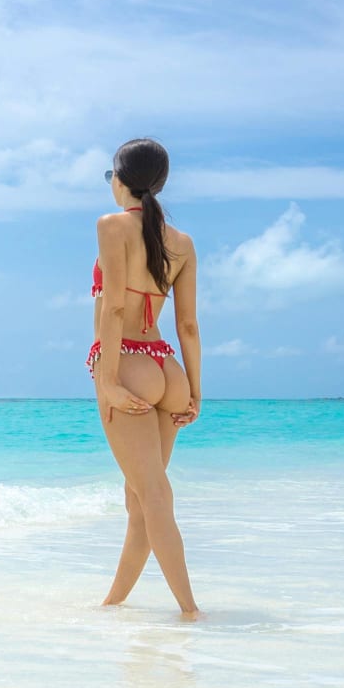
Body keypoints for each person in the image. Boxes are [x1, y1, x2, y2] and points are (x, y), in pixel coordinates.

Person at [87, 137, 202, 617]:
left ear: (121, 179)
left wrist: (109, 379)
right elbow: (188, 325)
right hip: (166, 369)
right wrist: (195, 391)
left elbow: (115, 307)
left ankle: (190, 611)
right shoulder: (182, 243)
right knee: (140, 499)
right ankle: (112, 604)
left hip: (128, 366)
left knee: (152, 495)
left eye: (110, 175)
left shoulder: (112, 226)